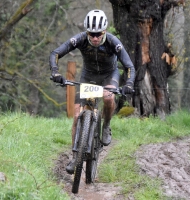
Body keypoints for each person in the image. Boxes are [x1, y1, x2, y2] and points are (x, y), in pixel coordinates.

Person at [49, 9, 135, 174]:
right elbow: (56, 53)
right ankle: (75, 156)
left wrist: (129, 83)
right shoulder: (80, 39)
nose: (95, 38)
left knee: (109, 98)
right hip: (88, 77)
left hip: (110, 75)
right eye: (91, 34)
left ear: (104, 31)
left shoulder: (113, 41)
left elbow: (129, 66)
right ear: (87, 32)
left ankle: (107, 125)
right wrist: (55, 72)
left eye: (98, 34)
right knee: (76, 116)